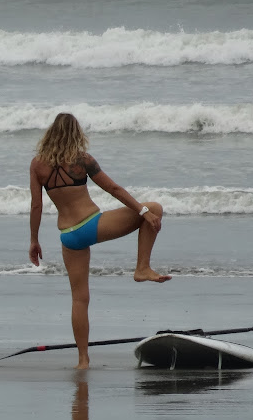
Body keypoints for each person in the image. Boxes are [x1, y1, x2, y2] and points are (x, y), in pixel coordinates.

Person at [29, 113, 171, 369]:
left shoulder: (37, 165)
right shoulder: (82, 160)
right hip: (92, 225)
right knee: (155, 208)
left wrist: (34, 240)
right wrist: (143, 212)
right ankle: (142, 268)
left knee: (79, 299)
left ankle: (83, 360)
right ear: (76, 133)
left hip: (69, 236)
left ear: (50, 133)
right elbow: (113, 189)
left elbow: (36, 206)